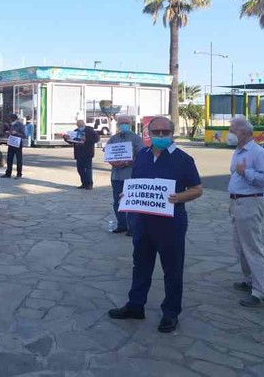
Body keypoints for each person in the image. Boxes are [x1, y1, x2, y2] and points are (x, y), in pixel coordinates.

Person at [109, 116, 203, 333]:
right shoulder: (142, 155)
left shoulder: (183, 159)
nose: (160, 136)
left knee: (172, 269)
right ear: (148, 134)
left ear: (172, 134)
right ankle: (135, 305)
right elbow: (136, 183)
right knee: (140, 265)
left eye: (165, 132)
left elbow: (197, 189)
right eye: (156, 132)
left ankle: (170, 313)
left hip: (171, 224)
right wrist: (128, 194)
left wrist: (179, 197)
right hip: (142, 222)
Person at [227, 116, 264, 308]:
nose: (229, 134)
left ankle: (261, 292)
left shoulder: (258, 152)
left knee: (253, 247)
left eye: (232, 130)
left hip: (250, 203)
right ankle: (250, 280)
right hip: (237, 203)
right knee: (240, 246)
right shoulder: (239, 151)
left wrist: (245, 173)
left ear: (242, 132)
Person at [105, 114, 145, 234]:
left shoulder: (136, 138)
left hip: (130, 176)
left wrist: (128, 162)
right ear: (118, 125)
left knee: (131, 202)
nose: (124, 125)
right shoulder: (114, 138)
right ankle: (121, 225)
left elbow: (141, 155)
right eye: (121, 123)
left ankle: (132, 228)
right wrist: (113, 162)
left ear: (130, 124)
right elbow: (108, 152)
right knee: (117, 202)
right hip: (116, 176)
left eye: (126, 123)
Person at [64, 118, 99, 190]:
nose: (79, 126)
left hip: (87, 153)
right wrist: (66, 138)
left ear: (84, 124)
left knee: (88, 169)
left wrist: (86, 138)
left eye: (81, 124)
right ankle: (84, 183)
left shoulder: (89, 130)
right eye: (78, 125)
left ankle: (89, 184)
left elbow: (96, 139)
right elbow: (71, 141)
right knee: (80, 169)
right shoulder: (75, 131)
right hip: (79, 153)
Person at [2, 113, 26, 179]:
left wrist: (16, 133)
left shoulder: (20, 125)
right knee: (9, 159)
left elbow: (24, 135)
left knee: (19, 159)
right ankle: (8, 173)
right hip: (11, 143)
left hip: (18, 144)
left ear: (14, 119)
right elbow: (6, 132)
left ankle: (19, 174)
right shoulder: (10, 125)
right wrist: (7, 132)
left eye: (11, 119)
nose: (10, 121)